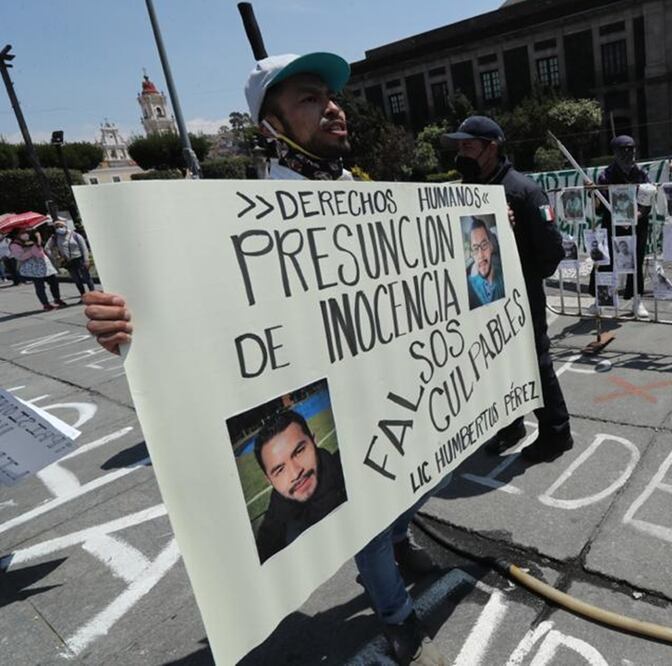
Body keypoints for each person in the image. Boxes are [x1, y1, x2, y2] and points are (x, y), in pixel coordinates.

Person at [84, 51, 447, 666]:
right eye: (309, 98)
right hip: (333, 395)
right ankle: (394, 612)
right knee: (365, 514)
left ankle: (402, 538)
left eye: (330, 96)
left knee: (410, 477)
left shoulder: (364, 194)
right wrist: (124, 322)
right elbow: (187, 316)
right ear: (272, 129)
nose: (331, 106)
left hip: (391, 386)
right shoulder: (238, 225)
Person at [444, 115, 573, 463]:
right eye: (459, 146)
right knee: (494, 362)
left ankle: (556, 433)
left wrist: (518, 272)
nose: (462, 152)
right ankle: (511, 424)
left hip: (521, 297)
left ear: (492, 147)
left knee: (535, 361)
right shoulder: (467, 191)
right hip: (483, 295)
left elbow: (551, 252)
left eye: (469, 146)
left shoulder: (524, 191)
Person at [253, 410, 347, 563]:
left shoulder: (345, 466)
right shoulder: (275, 522)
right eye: (280, 470)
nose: (295, 473)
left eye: (299, 451)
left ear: (314, 441)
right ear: (269, 480)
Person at [586, 135, 654, 319]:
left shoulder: (641, 174)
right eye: (623, 149)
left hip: (637, 225)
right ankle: (601, 299)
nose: (628, 153)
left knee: (635, 261)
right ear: (615, 153)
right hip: (612, 224)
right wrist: (593, 193)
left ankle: (636, 300)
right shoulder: (605, 176)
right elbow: (598, 208)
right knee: (605, 261)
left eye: (631, 148)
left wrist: (635, 217)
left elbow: (647, 201)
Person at [10, 229, 65, 311]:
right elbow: (20, 257)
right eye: (22, 233)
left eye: (26, 232)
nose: (25, 234)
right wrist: (31, 251)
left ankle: (57, 298)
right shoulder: (14, 245)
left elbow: (40, 251)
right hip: (33, 268)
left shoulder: (31, 240)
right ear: (16, 235)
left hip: (44, 265)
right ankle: (46, 304)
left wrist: (38, 239)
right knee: (40, 286)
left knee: (54, 282)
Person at [45, 218, 95, 295]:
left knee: (86, 277)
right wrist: (55, 257)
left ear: (65, 226)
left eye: (61, 226)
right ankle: (83, 295)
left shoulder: (75, 235)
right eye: (57, 227)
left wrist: (86, 259)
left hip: (79, 259)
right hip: (68, 262)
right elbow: (47, 248)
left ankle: (93, 294)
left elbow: (84, 248)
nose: (59, 228)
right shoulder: (55, 237)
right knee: (76, 279)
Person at [465, 216, 505, 308]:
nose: (480, 255)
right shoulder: (469, 287)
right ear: (472, 253)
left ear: (491, 246)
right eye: (475, 248)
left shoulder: (505, 275)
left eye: (484, 245)